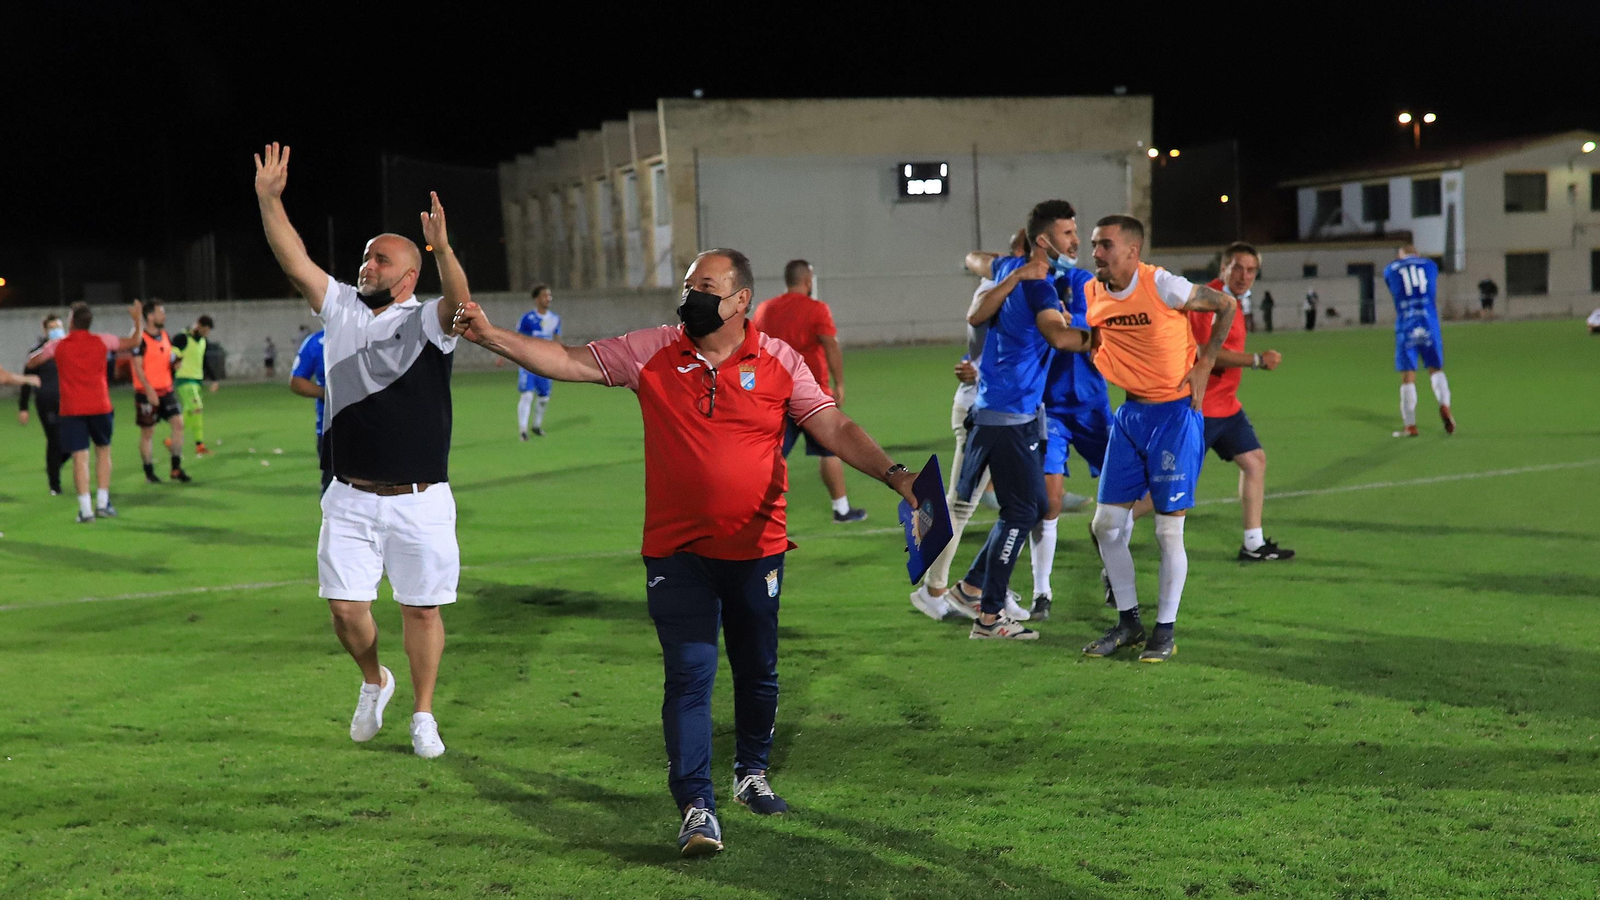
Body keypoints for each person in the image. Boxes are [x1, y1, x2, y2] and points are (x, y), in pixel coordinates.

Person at [452, 247, 922, 857]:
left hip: (758, 548)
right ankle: (696, 805)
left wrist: (896, 474)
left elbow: (832, 426)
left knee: (758, 671)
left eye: (704, 285)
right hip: (677, 552)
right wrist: (490, 335)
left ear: (740, 299)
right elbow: (568, 361)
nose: (690, 294)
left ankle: (750, 774)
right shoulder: (653, 349)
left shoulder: (780, 360)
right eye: (687, 284)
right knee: (690, 675)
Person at [256, 141, 469, 761]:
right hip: (349, 494)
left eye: (381, 258)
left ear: (409, 276)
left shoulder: (428, 321)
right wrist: (270, 199)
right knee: (347, 613)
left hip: (421, 499)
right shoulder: (340, 309)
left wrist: (444, 249)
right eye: (366, 255)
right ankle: (376, 680)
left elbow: (457, 305)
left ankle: (424, 714)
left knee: (422, 611)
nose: (366, 263)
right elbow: (294, 260)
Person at [1079, 215, 1236, 663]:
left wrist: (1205, 363)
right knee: (1105, 526)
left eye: (1105, 245)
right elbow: (1097, 337)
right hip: (1130, 415)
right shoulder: (1092, 291)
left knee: (1168, 532)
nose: (1097, 253)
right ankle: (1129, 622)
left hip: (1175, 413)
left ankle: (1164, 631)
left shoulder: (1163, 285)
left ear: (1132, 251)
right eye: (1094, 245)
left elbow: (1225, 305)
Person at [943, 200, 1095, 640]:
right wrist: (1115, 336)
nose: (1076, 240)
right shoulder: (1038, 287)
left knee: (1029, 508)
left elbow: (975, 260)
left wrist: (1009, 270)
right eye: (1068, 234)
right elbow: (1060, 337)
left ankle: (971, 588)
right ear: (1045, 241)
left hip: (1004, 411)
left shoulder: (1015, 268)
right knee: (1024, 509)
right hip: (1008, 416)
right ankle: (989, 617)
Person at [1123, 243, 1292, 561]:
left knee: (1254, 461)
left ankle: (1253, 543)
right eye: (1238, 268)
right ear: (1224, 267)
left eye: (1251, 270)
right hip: (1201, 406)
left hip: (1226, 405)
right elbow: (1203, 353)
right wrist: (1256, 359)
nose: (1245, 276)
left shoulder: (1236, 302)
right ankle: (1114, 522)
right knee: (1170, 481)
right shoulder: (1210, 300)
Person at [909, 229, 1027, 621]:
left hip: (1014, 413)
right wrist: (976, 369)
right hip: (983, 412)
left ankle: (984, 586)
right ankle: (936, 591)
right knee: (962, 507)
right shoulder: (994, 288)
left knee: (1022, 508)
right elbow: (981, 336)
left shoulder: (1036, 290)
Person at [751, 259, 867, 523]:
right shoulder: (816, 309)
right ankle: (842, 509)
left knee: (771, 454)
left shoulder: (765, 310)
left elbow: (753, 350)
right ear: (807, 281)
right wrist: (839, 384)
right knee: (829, 451)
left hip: (777, 395)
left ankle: (758, 511)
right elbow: (830, 346)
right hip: (813, 395)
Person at [27, 302, 146, 522]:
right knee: (103, 451)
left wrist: (48, 347)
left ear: (71, 322)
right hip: (100, 405)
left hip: (72, 409)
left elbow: (33, 361)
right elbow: (135, 341)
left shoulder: (59, 344)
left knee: (80, 457)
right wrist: (137, 320)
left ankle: (86, 510)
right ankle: (102, 503)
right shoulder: (102, 340)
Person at [1384, 245, 1454, 437]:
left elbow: (1394, 288)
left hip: (1407, 323)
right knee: (1436, 369)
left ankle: (1411, 425)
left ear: (1400, 256)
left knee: (1408, 377)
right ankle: (1444, 405)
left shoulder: (1391, 268)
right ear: (1417, 253)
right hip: (1429, 322)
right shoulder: (1430, 265)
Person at [128, 300, 191, 484]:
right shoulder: (139, 337)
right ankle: (149, 473)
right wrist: (149, 390)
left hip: (166, 390)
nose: (164, 316)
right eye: (160, 312)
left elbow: (165, 361)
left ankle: (176, 468)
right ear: (150, 316)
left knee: (178, 424)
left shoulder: (164, 335)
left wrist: (174, 365)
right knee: (148, 433)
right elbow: (137, 367)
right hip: (147, 392)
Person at [19, 314, 67, 495]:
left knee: (72, 441)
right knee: (54, 440)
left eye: (59, 327)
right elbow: (26, 380)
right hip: (46, 402)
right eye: (53, 327)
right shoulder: (37, 352)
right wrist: (23, 407)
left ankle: (54, 465)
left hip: (68, 401)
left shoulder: (67, 347)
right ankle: (55, 485)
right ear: (46, 331)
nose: (57, 331)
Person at [516, 282, 561, 439]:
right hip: (528, 363)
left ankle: (536, 425)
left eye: (549, 295)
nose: (548, 298)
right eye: (544, 295)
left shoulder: (555, 319)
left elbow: (556, 339)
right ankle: (523, 430)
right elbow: (517, 338)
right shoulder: (528, 318)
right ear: (536, 299)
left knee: (544, 397)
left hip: (546, 363)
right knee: (527, 395)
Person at [288, 328, 331, 493]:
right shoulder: (317, 341)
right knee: (332, 491)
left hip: (369, 428)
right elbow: (296, 380)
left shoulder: (366, 333)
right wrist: (324, 393)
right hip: (330, 431)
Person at [170, 315, 214, 456]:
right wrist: (176, 360)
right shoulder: (184, 337)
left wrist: (214, 379)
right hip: (184, 379)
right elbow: (171, 350)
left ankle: (192, 443)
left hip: (196, 380)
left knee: (192, 411)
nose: (206, 333)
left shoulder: (202, 341)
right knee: (197, 408)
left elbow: (204, 361)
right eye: (205, 329)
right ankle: (195, 443)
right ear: (199, 325)